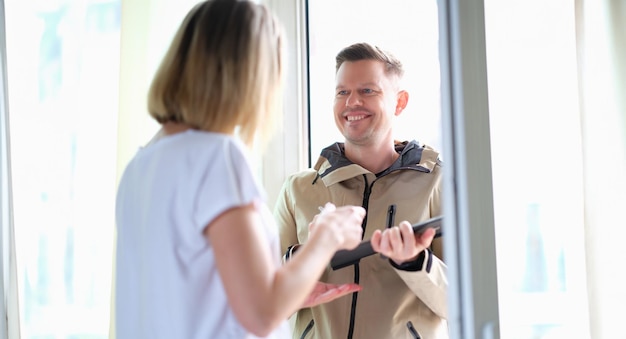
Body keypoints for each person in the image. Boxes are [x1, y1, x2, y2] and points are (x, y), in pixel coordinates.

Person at [114, 1, 366, 338]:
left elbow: (196, 293)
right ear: (249, 79)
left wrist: (291, 285)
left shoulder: (141, 165)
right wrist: (327, 236)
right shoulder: (217, 156)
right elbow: (261, 314)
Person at [274, 42, 448, 339]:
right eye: (342, 92)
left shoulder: (439, 184)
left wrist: (416, 262)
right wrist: (308, 254)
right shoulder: (298, 190)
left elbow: (465, 301)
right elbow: (262, 299)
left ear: (400, 102)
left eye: (368, 90)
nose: (352, 102)